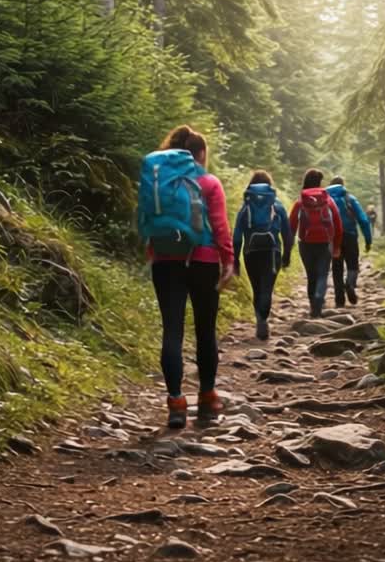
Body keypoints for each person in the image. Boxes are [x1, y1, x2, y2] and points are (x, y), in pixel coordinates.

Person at [139, 125, 235, 429]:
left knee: (172, 331)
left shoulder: (159, 180)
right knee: (205, 330)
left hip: (166, 261)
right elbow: (220, 226)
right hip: (204, 261)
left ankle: (176, 404)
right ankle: (207, 398)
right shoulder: (208, 182)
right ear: (201, 153)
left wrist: (153, 250)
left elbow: (147, 218)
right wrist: (228, 260)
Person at [233, 171, 294, 341]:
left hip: (250, 253)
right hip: (272, 251)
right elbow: (287, 235)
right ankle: (263, 320)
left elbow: (237, 236)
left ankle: (260, 320)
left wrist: (235, 259)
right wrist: (287, 255)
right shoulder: (277, 205)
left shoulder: (245, 207)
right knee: (267, 288)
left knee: (257, 288)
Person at [289, 169, 343, 318]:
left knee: (311, 275)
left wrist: (288, 245)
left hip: (305, 243)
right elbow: (338, 224)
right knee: (322, 274)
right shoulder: (328, 200)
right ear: (320, 182)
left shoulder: (301, 201)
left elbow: (292, 223)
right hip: (325, 243)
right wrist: (337, 246)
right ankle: (319, 299)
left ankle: (313, 304)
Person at [325, 176, 374, 307]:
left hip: (333, 237)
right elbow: (363, 220)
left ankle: (339, 300)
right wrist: (368, 240)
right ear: (343, 185)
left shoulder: (325, 199)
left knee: (337, 267)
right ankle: (350, 284)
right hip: (350, 236)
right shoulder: (349, 198)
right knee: (353, 264)